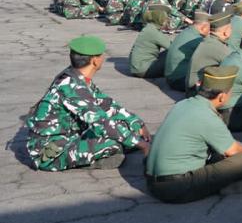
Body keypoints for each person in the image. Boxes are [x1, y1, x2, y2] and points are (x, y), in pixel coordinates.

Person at [25, 36, 150, 171]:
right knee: (113, 143)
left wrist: (137, 123)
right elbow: (102, 123)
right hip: (51, 153)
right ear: (95, 61)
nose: (102, 58)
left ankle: (103, 151)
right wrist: (142, 145)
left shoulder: (77, 77)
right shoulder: (72, 87)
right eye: (101, 56)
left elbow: (107, 104)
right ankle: (89, 162)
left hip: (71, 137)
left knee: (127, 128)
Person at [145, 65, 242, 203]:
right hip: (175, 188)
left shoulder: (182, 104)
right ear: (222, 97)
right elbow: (233, 151)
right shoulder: (207, 116)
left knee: (218, 155)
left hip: (151, 180)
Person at [187, 10, 235, 94]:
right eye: (230, 28)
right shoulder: (218, 47)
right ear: (226, 32)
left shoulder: (209, 41)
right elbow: (237, 64)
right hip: (199, 92)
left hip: (194, 88)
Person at [165, 11, 211, 92]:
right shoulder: (196, 39)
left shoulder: (187, 31)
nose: (210, 31)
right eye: (210, 28)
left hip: (171, 76)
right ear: (203, 27)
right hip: (180, 80)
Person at [129, 8, 173, 79]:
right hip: (143, 70)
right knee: (173, 54)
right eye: (165, 19)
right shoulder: (154, 32)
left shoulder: (149, 28)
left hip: (137, 68)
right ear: (159, 19)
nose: (166, 21)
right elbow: (173, 48)